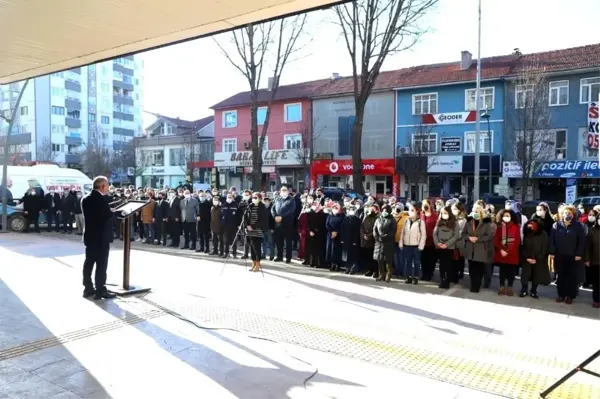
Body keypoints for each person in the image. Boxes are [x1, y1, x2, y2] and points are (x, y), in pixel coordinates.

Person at [81, 176, 116, 300]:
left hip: (90, 236)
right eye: (107, 186)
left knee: (89, 263)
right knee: (101, 265)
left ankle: (88, 288)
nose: (108, 189)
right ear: (102, 186)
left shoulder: (85, 198)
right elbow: (105, 216)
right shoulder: (100, 199)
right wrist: (112, 211)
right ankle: (100, 290)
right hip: (101, 237)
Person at [549, 205, 586, 304]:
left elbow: (582, 241)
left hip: (573, 256)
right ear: (562, 214)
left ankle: (570, 296)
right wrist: (552, 252)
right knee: (560, 276)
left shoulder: (578, 226)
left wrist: (579, 253)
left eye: (569, 213)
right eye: (565, 213)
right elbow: (552, 240)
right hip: (559, 255)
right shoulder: (556, 225)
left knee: (571, 277)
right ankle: (561, 295)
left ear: (573, 215)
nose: (567, 214)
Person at [463, 204, 493, 293]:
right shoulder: (469, 221)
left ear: (481, 212)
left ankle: (477, 285)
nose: (475, 213)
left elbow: (489, 236)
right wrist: (469, 238)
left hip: (480, 249)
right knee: (471, 269)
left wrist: (478, 239)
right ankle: (473, 284)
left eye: (477, 211)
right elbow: (463, 234)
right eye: (473, 211)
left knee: (479, 269)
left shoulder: (486, 223)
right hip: (470, 249)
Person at [494, 209, 521, 296]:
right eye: (504, 216)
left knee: (511, 271)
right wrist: (501, 249)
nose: (506, 217)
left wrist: (508, 251)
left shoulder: (516, 227)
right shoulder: (500, 227)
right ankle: (501, 286)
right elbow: (496, 240)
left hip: (512, 253)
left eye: (508, 216)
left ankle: (510, 287)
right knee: (502, 271)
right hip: (501, 253)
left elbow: (517, 241)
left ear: (511, 217)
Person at [520, 219, 550, 298]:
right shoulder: (526, 233)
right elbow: (522, 247)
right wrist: (526, 257)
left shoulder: (543, 234)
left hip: (539, 259)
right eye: (529, 226)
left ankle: (533, 291)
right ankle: (524, 290)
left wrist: (537, 258)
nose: (530, 228)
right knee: (525, 275)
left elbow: (545, 248)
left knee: (536, 276)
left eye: (532, 227)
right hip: (527, 259)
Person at [433, 206, 460, 289]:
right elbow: (435, 234)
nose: (443, 215)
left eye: (445, 213)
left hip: (449, 247)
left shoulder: (455, 223)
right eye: (442, 213)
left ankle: (447, 281)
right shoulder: (439, 222)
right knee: (441, 265)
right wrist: (438, 243)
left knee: (448, 265)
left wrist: (447, 244)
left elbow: (455, 236)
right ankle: (442, 280)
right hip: (440, 247)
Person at [400, 203, 426, 285]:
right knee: (407, 262)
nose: (410, 212)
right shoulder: (406, 221)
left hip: (416, 246)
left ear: (417, 212)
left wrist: (421, 245)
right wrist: (401, 242)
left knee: (417, 262)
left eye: (412, 210)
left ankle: (416, 277)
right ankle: (408, 277)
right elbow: (402, 233)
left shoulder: (420, 222)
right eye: (409, 210)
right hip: (407, 245)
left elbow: (423, 235)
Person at [244, 193, 269, 272]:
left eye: (256, 197)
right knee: (252, 248)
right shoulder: (250, 206)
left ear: (259, 198)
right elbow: (245, 217)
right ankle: (253, 262)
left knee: (257, 248)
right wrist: (246, 226)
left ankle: (258, 264)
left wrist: (253, 227)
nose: (254, 199)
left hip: (258, 231)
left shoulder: (262, 207)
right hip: (249, 231)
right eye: (253, 197)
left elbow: (263, 221)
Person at [271, 186, 296, 263]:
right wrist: (275, 216)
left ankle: (288, 258)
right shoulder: (278, 199)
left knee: (288, 242)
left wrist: (282, 217)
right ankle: (279, 256)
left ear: (288, 191)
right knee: (279, 241)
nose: (284, 192)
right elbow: (273, 208)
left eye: (285, 190)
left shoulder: (291, 200)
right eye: (282, 190)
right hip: (278, 223)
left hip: (287, 223)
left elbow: (291, 210)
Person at [373, 204, 397, 282]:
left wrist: (384, 237)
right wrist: (377, 237)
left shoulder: (392, 220)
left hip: (388, 243)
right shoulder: (378, 219)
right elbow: (375, 229)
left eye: (386, 210)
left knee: (388, 260)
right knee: (379, 260)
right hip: (379, 243)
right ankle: (381, 274)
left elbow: (392, 231)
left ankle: (388, 275)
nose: (384, 211)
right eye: (383, 210)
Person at [420, 199, 439, 281]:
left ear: (430, 205)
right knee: (423, 259)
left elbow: (437, 228)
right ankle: (424, 274)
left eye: (426, 204)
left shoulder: (435, 216)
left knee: (430, 259)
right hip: (422, 241)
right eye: (423, 204)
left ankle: (429, 274)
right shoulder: (421, 215)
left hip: (431, 241)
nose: (425, 206)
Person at [584, 215, 600, 308]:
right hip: (595, 261)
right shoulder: (592, 231)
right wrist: (587, 259)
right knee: (597, 282)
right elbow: (587, 247)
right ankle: (597, 300)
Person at [341, 205, 361, 274]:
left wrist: (355, 240)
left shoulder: (357, 220)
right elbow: (342, 229)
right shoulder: (346, 218)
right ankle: (347, 267)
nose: (351, 211)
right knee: (346, 254)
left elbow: (358, 231)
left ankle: (353, 268)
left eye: (353, 209)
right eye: (350, 209)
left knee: (353, 255)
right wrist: (342, 239)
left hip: (353, 240)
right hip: (346, 239)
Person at [325, 203, 344, 271]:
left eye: (336, 208)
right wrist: (332, 231)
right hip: (330, 235)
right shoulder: (330, 216)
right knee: (330, 250)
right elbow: (327, 224)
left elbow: (342, 225)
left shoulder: (342, 216)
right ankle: (332, 264)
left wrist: (336, 232)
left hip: (338, 235)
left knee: (337, 250)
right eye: (333, 208)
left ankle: (337, 265)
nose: (335, 210)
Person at [451, 202, 467, 283]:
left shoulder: (463, 220)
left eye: (455, 209)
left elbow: (462, 232)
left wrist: (453, 236)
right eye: (452, 209)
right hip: (450, 243)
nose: (453, 210)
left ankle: (457, 276)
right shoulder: (450, 218)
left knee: (458, 260)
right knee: (451, 261)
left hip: (459, 243)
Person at [361, 203, 378, 277]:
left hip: (373, 240)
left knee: (374, 257)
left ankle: (375, 271)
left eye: (373, 209)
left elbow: (377, 229)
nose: (371, 210)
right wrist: (363, 235)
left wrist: (369, 235)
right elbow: (362, 227)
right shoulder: (366, 217)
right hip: (365, 240)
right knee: (367, 256)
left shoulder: (378, 218)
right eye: (370, 209)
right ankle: (369, 270)